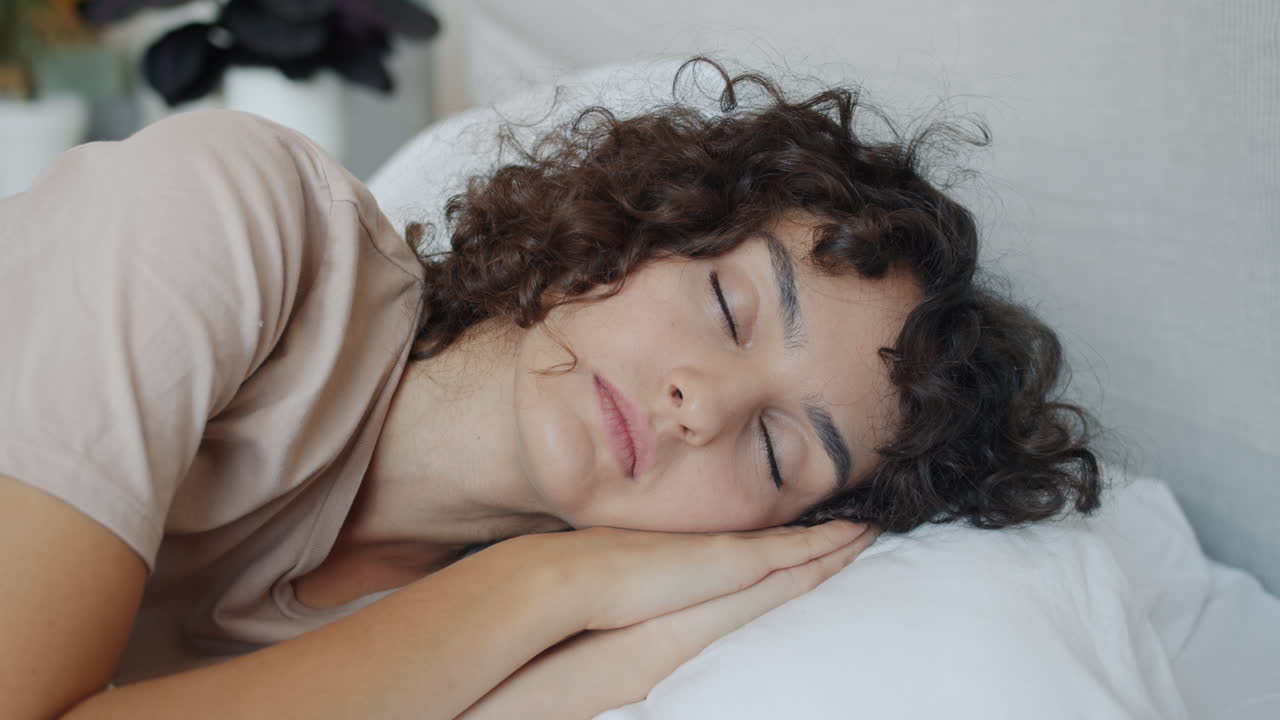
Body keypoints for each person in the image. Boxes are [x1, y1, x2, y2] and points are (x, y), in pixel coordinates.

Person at [0, 59, 1099, 719]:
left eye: (775, 451)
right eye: (727, 309)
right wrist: (530, 590)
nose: (700, 405)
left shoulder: (516, 643)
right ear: (645, 218)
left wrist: (574, 647)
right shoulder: (236, 219)